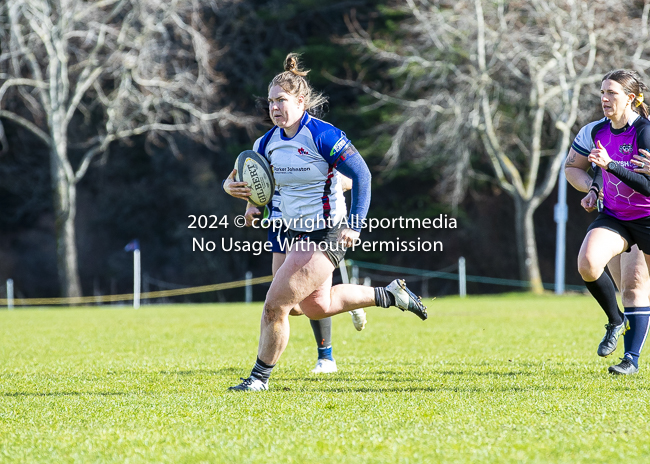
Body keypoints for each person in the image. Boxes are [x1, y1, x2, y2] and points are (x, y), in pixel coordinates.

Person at [227, 53, 428, 391]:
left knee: (274, 306)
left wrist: (355, 224)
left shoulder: (322, 135)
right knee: (314, 307)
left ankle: (258, 380)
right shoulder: (265, 143)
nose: (274, 107)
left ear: (301, 101)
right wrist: (242, 197)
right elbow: (248, 179)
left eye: (281, 100)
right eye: (271, 101)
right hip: (290, 232)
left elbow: (362, 175)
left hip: (326, 233)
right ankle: (390, 295)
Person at [223, 173, 366, 375]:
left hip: (313, 223)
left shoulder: (318, 143)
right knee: (288, 304)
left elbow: (354, 178)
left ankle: (326, 357)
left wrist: (333, 182)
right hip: (278, 225)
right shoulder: (266, 144)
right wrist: (249, 205)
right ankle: (348, 299)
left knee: (310, 296)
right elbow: (246, 177)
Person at [564, 69, 650, 375]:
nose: (604, 99)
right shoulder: (594, 132)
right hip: (615, 216)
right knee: (588, 263)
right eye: (602, 92)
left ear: (630, 98)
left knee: (636, 286)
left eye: (611, 93)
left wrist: (610, 165)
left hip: (648, 218)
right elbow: (573, 167)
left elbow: (647, 187)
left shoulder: (645, 133)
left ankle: (631, 354)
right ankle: (619, 327)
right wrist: (592, 186)